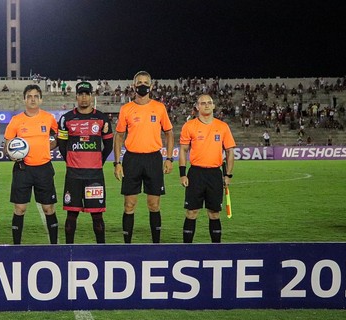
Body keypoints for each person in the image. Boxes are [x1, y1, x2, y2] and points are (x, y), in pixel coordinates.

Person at [113, 71, 174, 244]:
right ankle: (127, 246)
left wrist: (169, 158)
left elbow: (169, 134)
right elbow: (119, 136)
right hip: (131, 160)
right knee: (129, 204)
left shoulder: (159, 108)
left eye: (145, 82)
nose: (142, 85)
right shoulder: (126, 109)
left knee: (154, 204)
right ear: (133, 86)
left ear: (151, 86)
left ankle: (156, 245)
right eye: (139, 82)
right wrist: (117, 163)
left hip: (153, 159)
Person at [57, 81, 113, 244]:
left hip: (94, 175)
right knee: (71, 216)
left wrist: (98, 162)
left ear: (91, 96)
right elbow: (61, 144)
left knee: (97, 217)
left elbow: (108, 145)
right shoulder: (66, 118)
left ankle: (101, 249)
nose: (83, 97)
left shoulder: (101, 118)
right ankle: (69, 250)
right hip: (73, 174)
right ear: (76, 96)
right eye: (80, 94)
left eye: (87, 94)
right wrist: (69, 160)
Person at [4, 84, 59, 244]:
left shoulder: (49, 118)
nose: (32, 99)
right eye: (29, 96)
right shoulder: (16, 120)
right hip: (23, 169)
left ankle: (54, 245)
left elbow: (57, 139)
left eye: (36, 96)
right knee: (20, 209)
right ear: (24, 99)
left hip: (44, 168)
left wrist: (49, 146)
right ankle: (16, 246)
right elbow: (7, 145)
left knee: (48, 208)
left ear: (41, 99)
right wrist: (12, 154)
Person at [179, 94, 236, 243]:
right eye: (203, 103)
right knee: (191, 212)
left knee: (214, 213)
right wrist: (182, 174)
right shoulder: (189, 126)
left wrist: (228, 175)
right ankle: (187, 248)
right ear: (197, 107)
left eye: (209, 102)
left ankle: (216, 249)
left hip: (214, 174)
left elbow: (230, 151)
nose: (206, 105)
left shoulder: (222, 127)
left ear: (213, 106)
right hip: (195, 173)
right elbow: (183, 150)